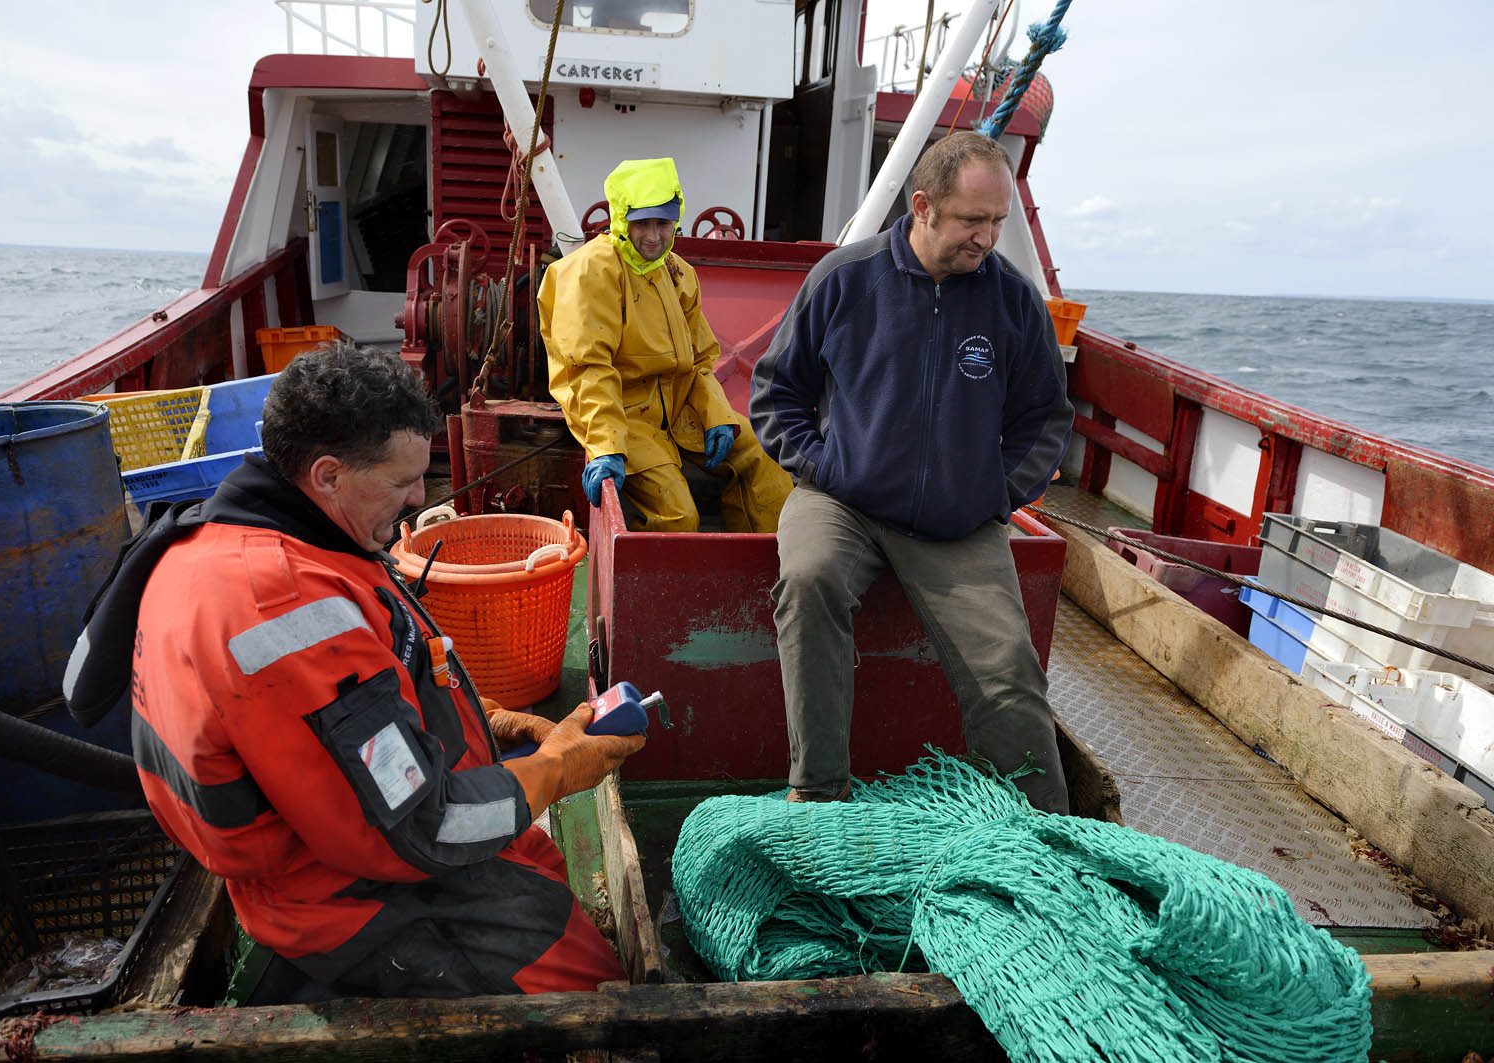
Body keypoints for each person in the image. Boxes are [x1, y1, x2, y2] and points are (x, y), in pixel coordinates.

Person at [62, 342, 643, 999]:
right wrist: (561, 767)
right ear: (329, 475)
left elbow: (374, 679)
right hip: (346, 894)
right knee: (597, 990)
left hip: (360, 835)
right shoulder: (279, 606)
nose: (418, 498)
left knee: (537, 859)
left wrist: (495, 724)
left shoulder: (255, 529)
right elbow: (426, 829)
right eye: (400, 483)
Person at [748, 132, 1074, 813]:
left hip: (960, 522)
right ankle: (819, 790)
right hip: (845, 502)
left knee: (1010, 672)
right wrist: (824, 465)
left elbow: (1045, 417)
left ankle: (1051, 833)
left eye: (998, 223)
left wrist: (994, 493)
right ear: (923, 206)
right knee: (807, 581)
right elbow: (777, 393)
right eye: (971, 220)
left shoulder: (1013, 302)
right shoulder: (843, 278)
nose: (987, 238)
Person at [539, 156, 792, 532]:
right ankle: (646, 587)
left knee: (765, 457)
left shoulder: (678, 273)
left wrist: (717, 418)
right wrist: (606, 445)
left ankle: (759, 569)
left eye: (663, 222)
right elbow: (587, 370)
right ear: (621, 220)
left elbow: (701, 363)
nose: (654, 236)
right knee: (679, 518)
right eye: (642, 224)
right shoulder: (591, 271)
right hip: (624, 420)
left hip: (677, 410)